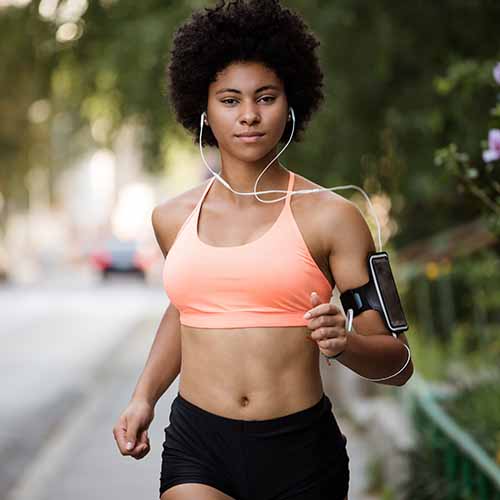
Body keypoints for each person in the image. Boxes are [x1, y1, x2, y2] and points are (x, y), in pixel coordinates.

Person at [112, 1, 414, 499]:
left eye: (265, 97)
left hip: (299, 452)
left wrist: (346, 344)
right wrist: (144, 396)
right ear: (202, 108)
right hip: (197, 446)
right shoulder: (171, 218)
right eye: (229, 100)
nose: (249, 115)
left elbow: (399, 364)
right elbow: (189, 311)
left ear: (291, 102)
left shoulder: (334, 218)